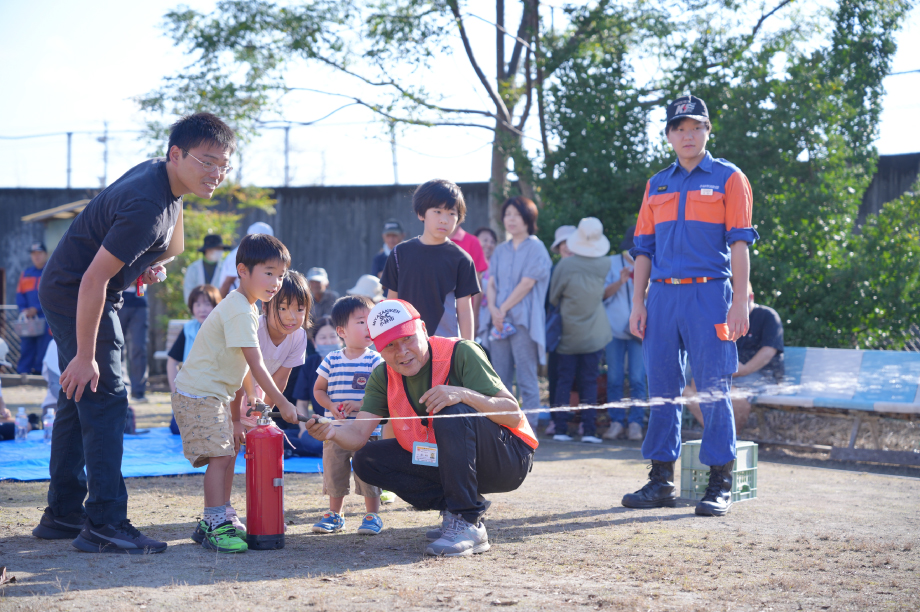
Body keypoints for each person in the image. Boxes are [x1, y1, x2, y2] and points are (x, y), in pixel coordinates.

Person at [32, 112, 236, 554]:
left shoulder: (164, 184)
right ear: (176, 154)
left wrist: (143, 264)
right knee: (105, 393)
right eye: (207, 161)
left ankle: (63, 511)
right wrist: (86, 355)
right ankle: (104, 521)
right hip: (79, 293)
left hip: (79, 287)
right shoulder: (148, 204)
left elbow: (171, 244)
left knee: (79, 394)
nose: (216, 173)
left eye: (224, 164)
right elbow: (92, 281)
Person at [305, 299, 538, 557]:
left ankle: (467, 521)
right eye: (390, 345)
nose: (402, 352)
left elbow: (513, 415)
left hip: (509, 459)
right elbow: (359, 435)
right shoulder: (382, 376)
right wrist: (333, 432)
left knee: (451, 409)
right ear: (378, 349)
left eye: (407, 339)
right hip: (448, 460)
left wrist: (463, 394)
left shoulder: (461, 352)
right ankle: (455, 509)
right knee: (367, 460)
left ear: (423, 330)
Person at [623, 94, 758, 517]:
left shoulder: (729, 177)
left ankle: (720, 482)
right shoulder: (656, 184)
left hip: (710, 295)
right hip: (661, 295)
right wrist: (638, 303)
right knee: (662, 388)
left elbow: (740, 242)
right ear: (668, 135)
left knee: (715, 386)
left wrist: (740, 300)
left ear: (707, 131)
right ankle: (660, 479)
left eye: (695, 126)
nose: (687, 134)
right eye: (679, 128)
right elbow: (643, 249)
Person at [172, 233, 300, 553]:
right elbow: (256, 362)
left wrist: (251, 400)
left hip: (215, 394)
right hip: (200, 394)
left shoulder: (248, 308)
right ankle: (215, 521)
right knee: (221, 456)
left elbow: (241, 363)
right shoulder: (240, 309)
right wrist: (281, 402)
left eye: (280, 275)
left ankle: (219, 515)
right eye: (268, 273)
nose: (275, 281)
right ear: (243, 271)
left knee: (228, 451)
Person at [311, 295, 385, 536]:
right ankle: (335, 514)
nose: (369, 327)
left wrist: (359, 404)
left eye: (372, 321)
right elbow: (319, 390)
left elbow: (380, 397)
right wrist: (331, 405)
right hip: (334, 430)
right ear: (342, 331)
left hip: (367, 431)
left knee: (368, 471)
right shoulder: (331, 360)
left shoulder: (376, 360)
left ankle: (372, 515)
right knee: (334, 470)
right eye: (362, 322)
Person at [483, 197, 552, 432]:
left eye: (516, 214)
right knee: (499, 377)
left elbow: (527, 284)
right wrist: (493, 309)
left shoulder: (536, 247)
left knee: (526, 375)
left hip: (523, 320)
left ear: (528, 218)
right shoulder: (501, 249)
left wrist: (501, 309)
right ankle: (504, 428)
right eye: (507, 214)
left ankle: (528, 429)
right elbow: (491, 283)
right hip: (499, 322)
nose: (510, 219)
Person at [380, 179, 480, 340]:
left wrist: (469, 349)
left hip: (445, 345)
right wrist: (389, 340)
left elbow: (464, 309)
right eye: (437, 211)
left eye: (451, 213)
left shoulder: (462, 259)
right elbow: (392, 301)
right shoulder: (400, 253)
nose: (444, 219)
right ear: (421, 213)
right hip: (406, 343)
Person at [684, 281, 784, 432]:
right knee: (696, 383)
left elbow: (768, 352)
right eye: (729, 299)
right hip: (731, 375)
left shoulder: (767, 316)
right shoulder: (723, 319)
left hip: (761, 375)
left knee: (728, 394)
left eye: (737, 299)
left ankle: (724, 432)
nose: (732, 304)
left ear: (750, 297)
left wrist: (743, 369)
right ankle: (720, 432)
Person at [547, 218, 613, 443]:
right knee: (589, 380)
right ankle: (590, 430)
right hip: (595, 331)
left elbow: (554, 296)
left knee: (564, 380)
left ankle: (561, 429)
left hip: (568, 331)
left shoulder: (565, 265)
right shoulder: (605, 263)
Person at [602, 225, 648, 441]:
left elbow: (655, 295)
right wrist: (619, 281)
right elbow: (601, 295)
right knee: (614, 378)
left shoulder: (650, 261)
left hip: (640, 331)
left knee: (638, 378)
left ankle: (636, 423)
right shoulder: (612, 263)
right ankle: (617, 422)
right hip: (614, 330)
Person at [543, 225, 577, 437]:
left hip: (582, 329)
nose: (567, 247)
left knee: (582, 377)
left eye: (571, 242)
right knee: (556, 375)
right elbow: (547, 302)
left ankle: (582, 422)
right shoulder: (552, 270)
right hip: (556, 330)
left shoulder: (587, 266)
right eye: (563, 243)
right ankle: (556, 421)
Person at [167, 285, 222, 395]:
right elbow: (172, 361)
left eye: (207, 304)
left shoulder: (223, 329)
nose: (202, 309)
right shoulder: (188, 329)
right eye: (197, 304)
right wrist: (175, 393)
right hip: (190, 393)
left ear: (217, 306)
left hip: (216, 393)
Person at [16, 242, 52, 375]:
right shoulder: (26, 274)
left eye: (39, 254)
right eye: (33, 254)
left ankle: (40, 373)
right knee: (26, 345)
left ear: (45, 255)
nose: (36, 257)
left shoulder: (51, 272)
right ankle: (23, 373)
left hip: (46, 317)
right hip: (28, 318)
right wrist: (24, 310)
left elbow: (53, 295)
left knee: (44, 347)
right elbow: (20, 295)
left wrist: (36, 309)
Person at [218, 222, 274, 298]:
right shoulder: (238, 255)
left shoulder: (253, 254)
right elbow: (226, 284)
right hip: (233, 301)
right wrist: (221, 306)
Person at [117, 275, 149, 403]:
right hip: (118, 300)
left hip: (140, 300)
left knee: (139, 347)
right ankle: (121, 389)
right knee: (117, 346)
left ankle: (138, 392)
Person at [450, 223, 489, 330]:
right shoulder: (431, 242)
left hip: (465, 313)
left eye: (452, 213)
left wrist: (475, 317)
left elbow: (477, 285)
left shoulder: (472, 241)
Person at [184, 234, 231, 302]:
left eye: (221, 249)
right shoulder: (193, 268)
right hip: (198, 310)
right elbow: (188, 293)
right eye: (217, 248)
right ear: (207, 250)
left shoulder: (225, 267)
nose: (220, 251)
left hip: (221, 309)